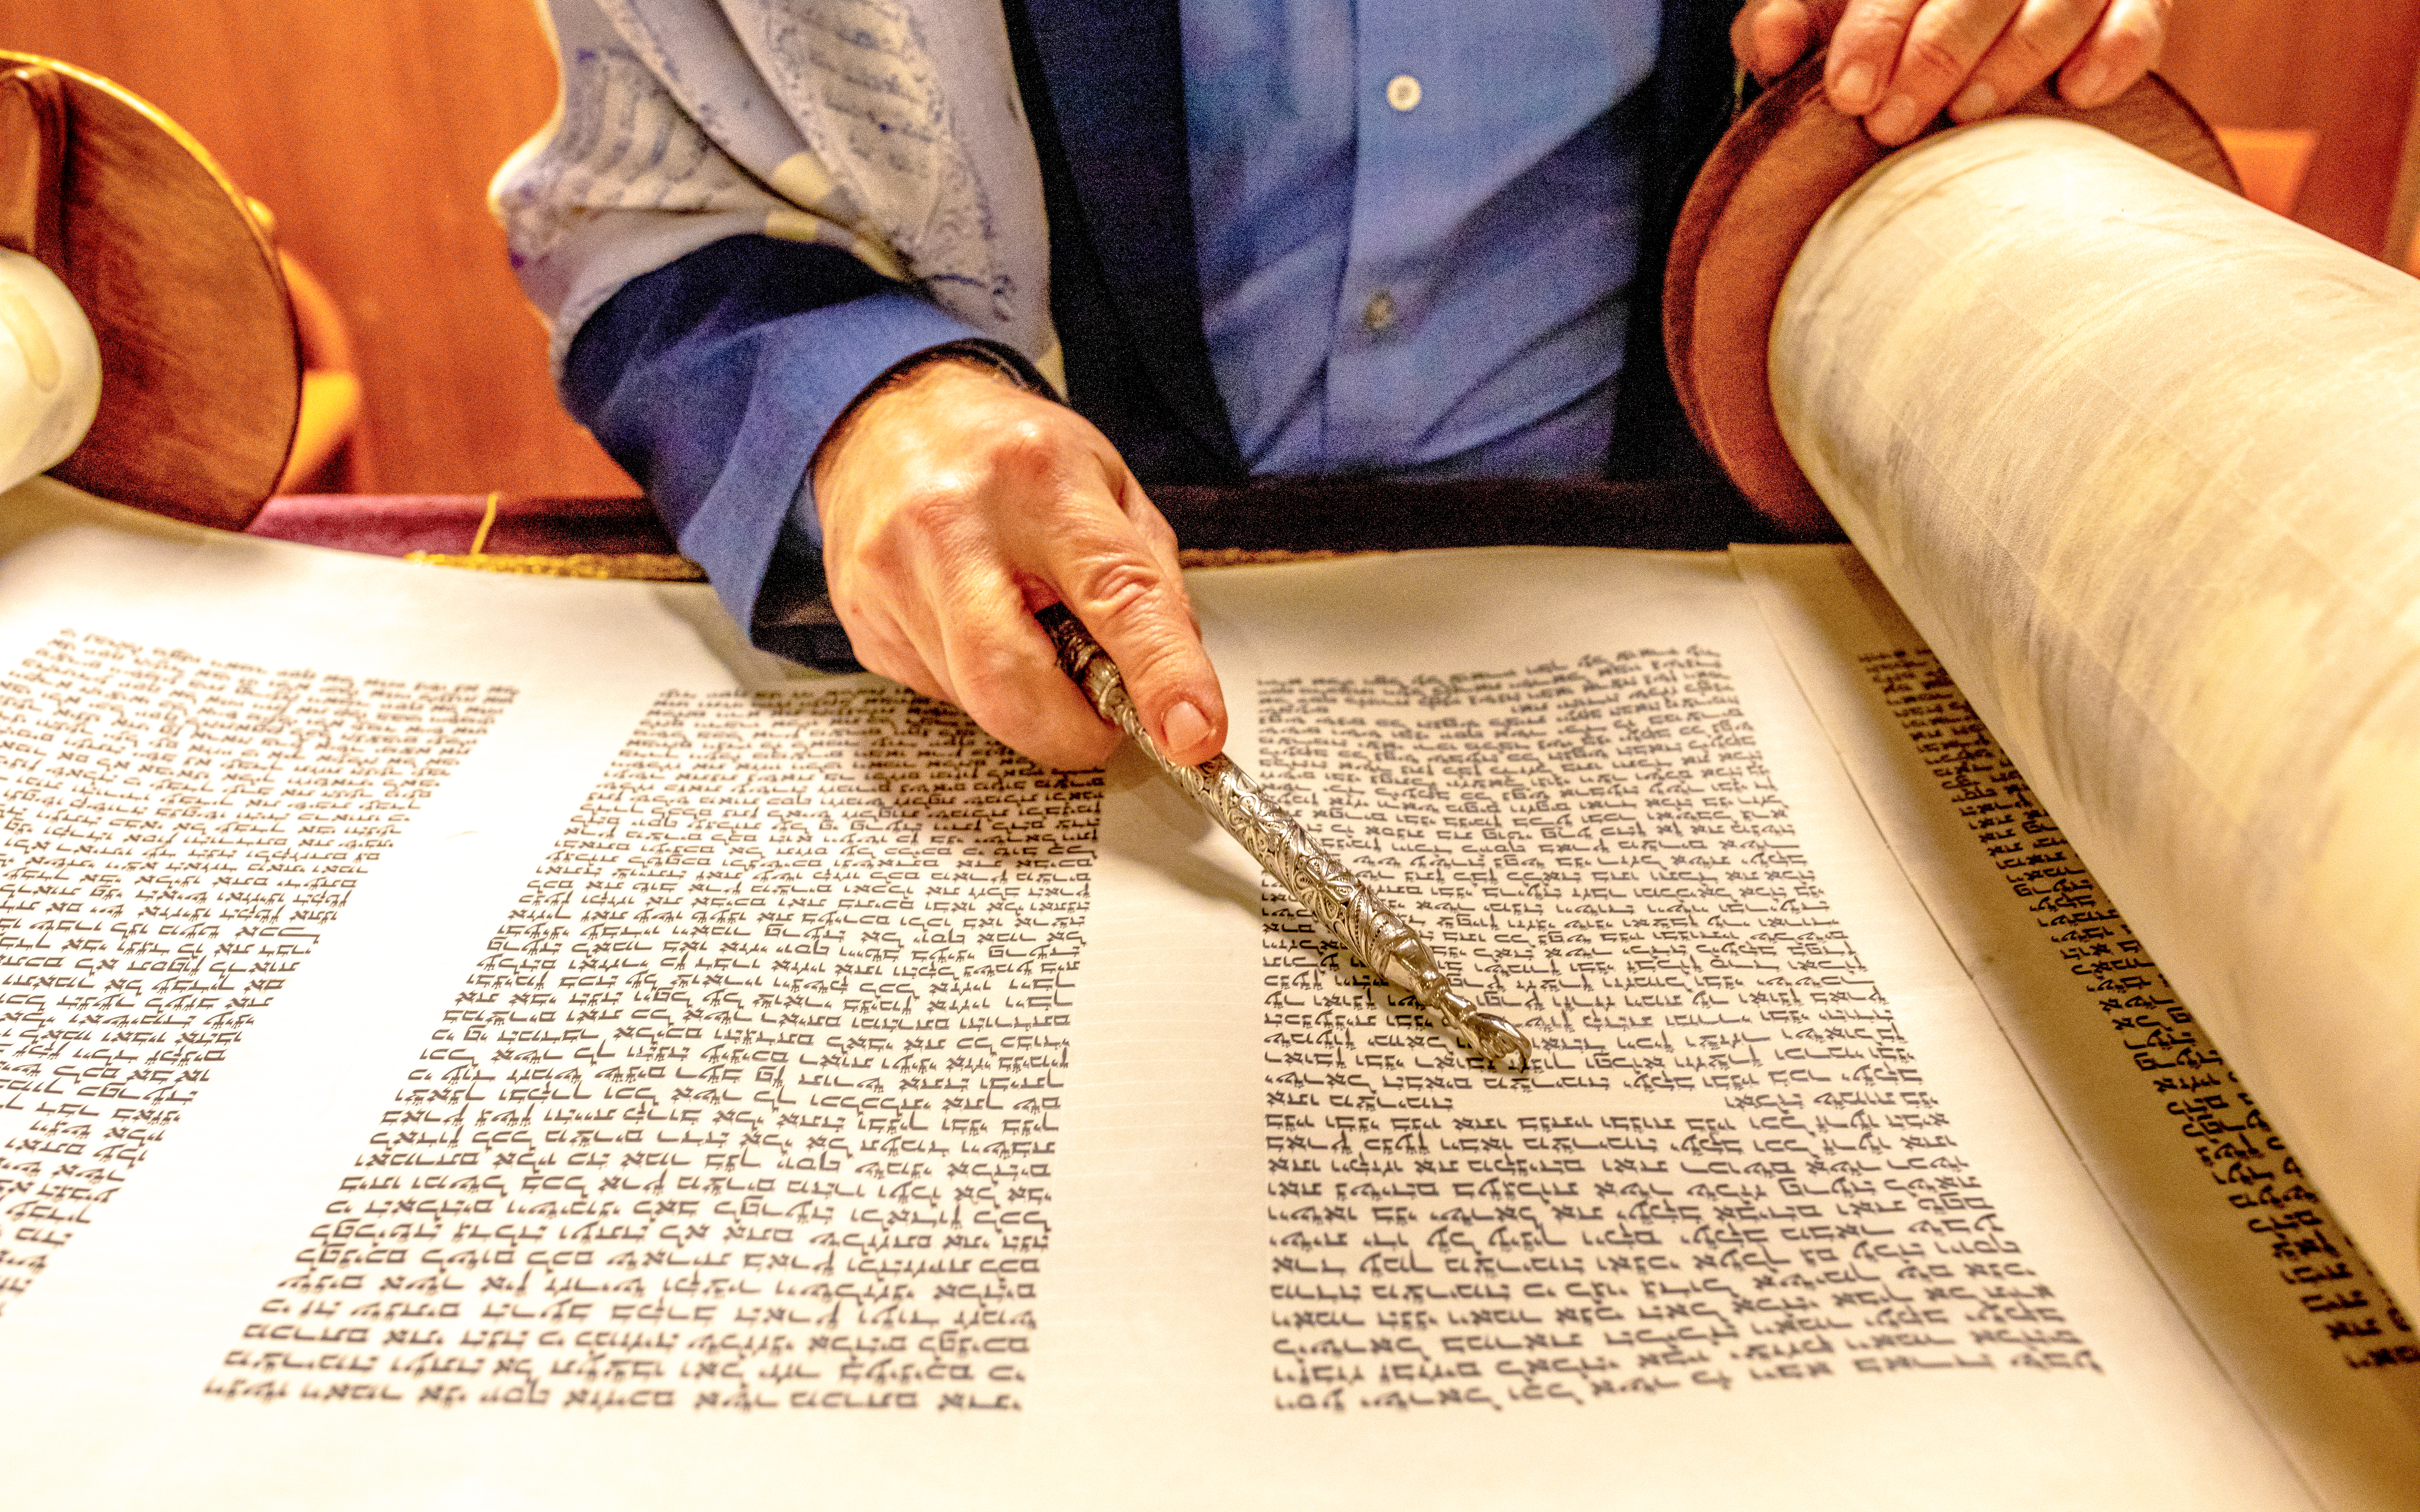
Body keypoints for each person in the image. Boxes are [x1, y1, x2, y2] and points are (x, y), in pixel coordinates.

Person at [494, 0, 2164, 770]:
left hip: (1740, 652)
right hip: (1073, 653)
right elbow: (659, 211)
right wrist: (870, 402)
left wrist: (2003, 44)